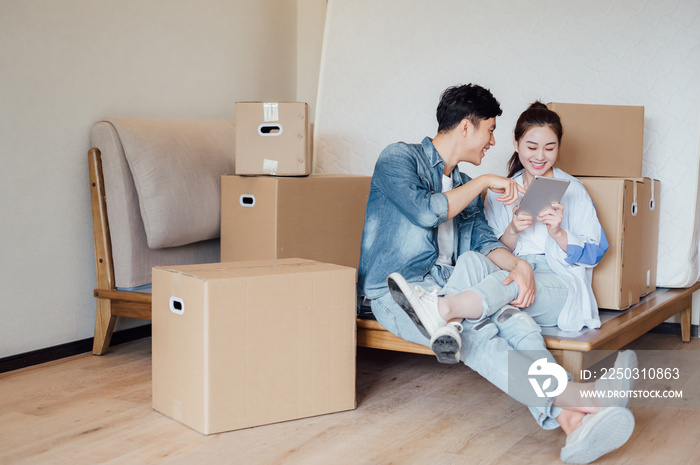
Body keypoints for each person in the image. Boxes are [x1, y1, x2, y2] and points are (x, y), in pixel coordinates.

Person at [357, 84, 635, 464]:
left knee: (508, 318)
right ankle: (579, 401)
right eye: (489, 130)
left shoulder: (463, 185)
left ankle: (572, 421)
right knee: (482, 339)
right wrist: (485, 181)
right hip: (397, 293)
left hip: (445, 287)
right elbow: (425, 211)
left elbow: (485, 244)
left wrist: (520, 266)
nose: (492, 142)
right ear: (466, 128)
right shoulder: (399, 158)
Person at [484, 101, 608, 332]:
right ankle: (496, 316)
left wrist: (558, 233)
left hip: (556, 279)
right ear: (515, 142)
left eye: (550, 148)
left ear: (559, 146)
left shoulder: (574, 190)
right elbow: (490, 252)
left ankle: (451, 310)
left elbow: (595, 253)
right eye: (532, 147)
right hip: (512, 269)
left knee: (502, 291)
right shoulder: (499, 191)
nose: (540, 156)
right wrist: (512, 229)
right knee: (473, 266)